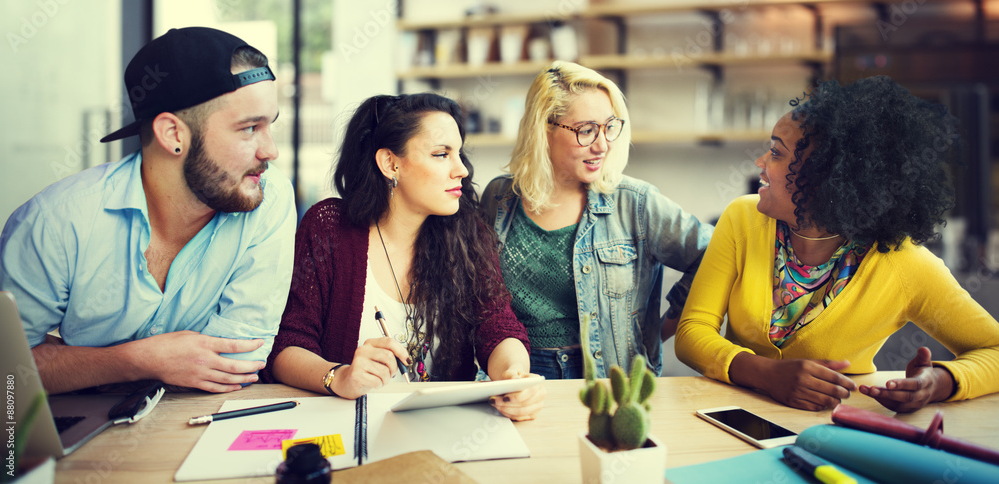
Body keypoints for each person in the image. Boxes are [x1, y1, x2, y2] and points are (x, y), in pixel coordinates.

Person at [675, 76, 999, 413]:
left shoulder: (904, 264)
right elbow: (692, 331)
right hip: (733, 420)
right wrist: (767, 374)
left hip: (835, 430)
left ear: (824, 178)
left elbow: (994, 350)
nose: (760, 163)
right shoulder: (742, 219)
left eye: (775, 152)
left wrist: (938, 383)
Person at [0, 27, 295, 395]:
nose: (271, 151)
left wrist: (75, 362)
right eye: (249, 128)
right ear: (173, 134)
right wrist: (138, 360)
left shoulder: (269, 198)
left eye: (270, 125)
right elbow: (8, 373)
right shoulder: (54, 223)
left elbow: (236, 363)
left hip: (199, 426)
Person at [263, 93, 544, 421]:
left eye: (459, 154)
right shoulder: (328, 228)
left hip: (444, 427)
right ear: (390, 164)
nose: (462, 170)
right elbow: (286, 345)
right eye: (441, 154)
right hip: (348, 425)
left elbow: (496, 325)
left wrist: (514, 376)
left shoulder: (468, 231)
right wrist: (338, 376)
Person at [481, 61, 713, 379]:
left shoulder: (636, 202)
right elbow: (482, 296)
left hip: (608, 382)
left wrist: (660, 330)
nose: (603, 144)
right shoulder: (499, 197)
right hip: (518, 376)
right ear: (544, 129)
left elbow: (714, 254)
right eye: (586, 130)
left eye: (609, 127)